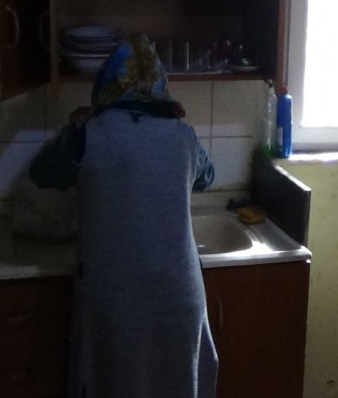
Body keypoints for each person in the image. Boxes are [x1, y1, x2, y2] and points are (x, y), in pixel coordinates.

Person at [29, 33, 217, 398]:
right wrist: (174, 124)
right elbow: (207, 178)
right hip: (180, 296)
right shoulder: (184, 136)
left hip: (114, 302)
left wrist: (75, 129)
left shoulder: (87, 136)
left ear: (105, 86)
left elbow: (42, 174)